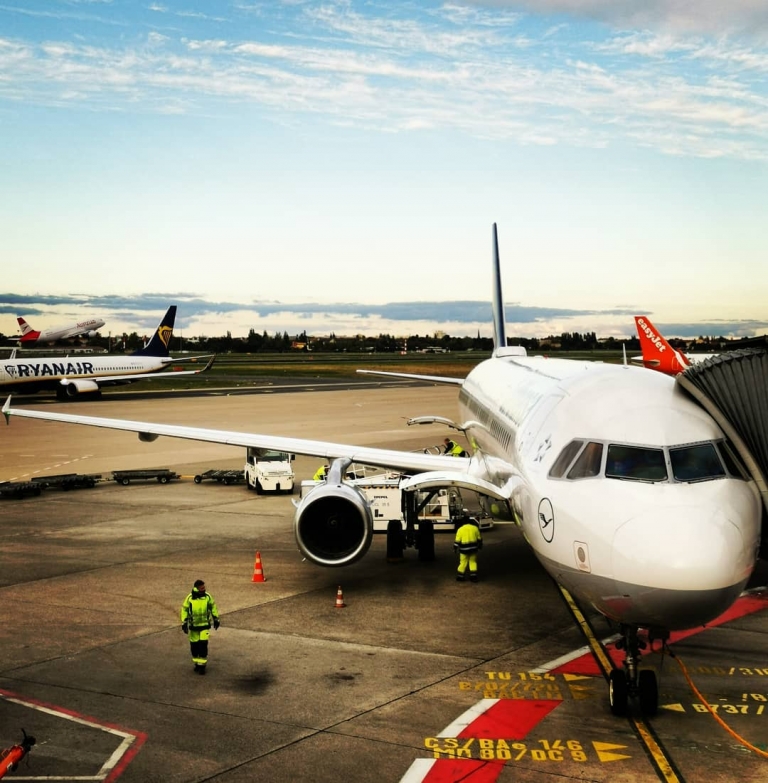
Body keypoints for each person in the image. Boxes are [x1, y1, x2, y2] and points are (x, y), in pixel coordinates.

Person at [180, 579, 220, 675]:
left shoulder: (207, 597)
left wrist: (216, 619)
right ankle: (197, 664)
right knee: (194, 647)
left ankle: (202, 666)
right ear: (197, 589)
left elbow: (213, 607)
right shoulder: (189, 598)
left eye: (204, 587)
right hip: (194, 627)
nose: (204, 589)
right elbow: (184, 610)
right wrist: (184, 622)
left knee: (203, 645)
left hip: (204, 626)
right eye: (202, 588)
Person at [454, 516, 483, 582]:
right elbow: (479, 539)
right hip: (473, 549)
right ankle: (473, 576)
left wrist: (455, 548)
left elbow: (457, 541)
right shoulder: (475, 528)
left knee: (463, 562)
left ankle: (460, 576)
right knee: (473, 562)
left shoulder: (460, 529)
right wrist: (480, 546)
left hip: (464, 550)